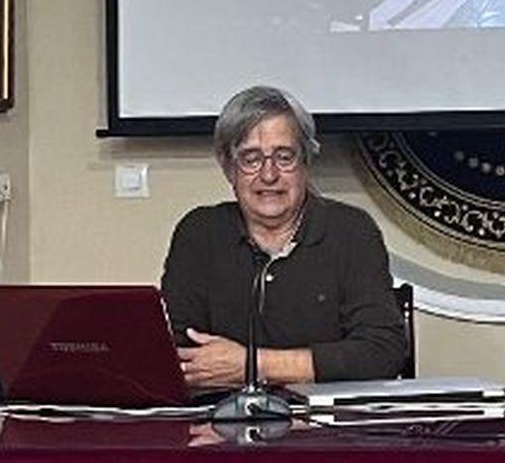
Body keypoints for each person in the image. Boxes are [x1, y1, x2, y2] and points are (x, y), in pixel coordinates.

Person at [161, 85, 408, 390]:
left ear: (305, 162)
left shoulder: (352, 231)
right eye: (250, 158)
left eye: (284, 156)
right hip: (217, 423)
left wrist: (253, 366)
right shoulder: (199, 233)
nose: (269, 175)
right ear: (229, 169)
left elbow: (382, 353)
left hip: (324, 427)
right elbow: (173, 353)